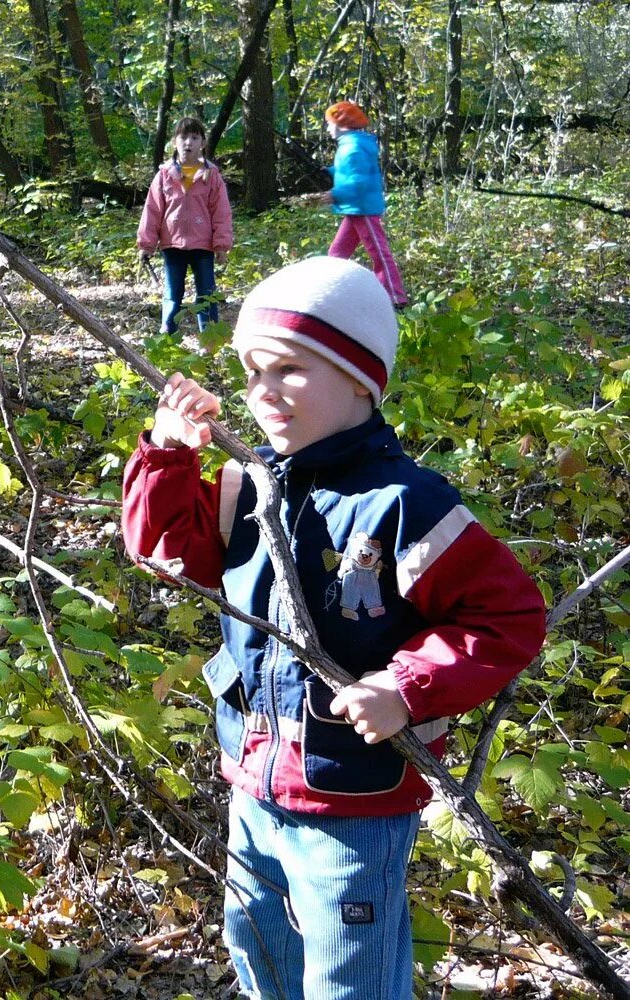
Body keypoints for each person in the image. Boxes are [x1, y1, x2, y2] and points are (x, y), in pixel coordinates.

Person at [121, 255, 546, 1000]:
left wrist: (404, 687)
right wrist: (165, 453)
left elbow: (506, 615)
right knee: (257, 945)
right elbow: (163, 555)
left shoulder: (403, 503)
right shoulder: (247, 481)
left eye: (287, 370)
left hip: (354, 798)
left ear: (359, 378)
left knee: (350, 977)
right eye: (251, 372)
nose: (261, 393)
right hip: (252, 780)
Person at [136, 116, 233, 335]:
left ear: (203, 143)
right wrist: (147, 244)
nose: (188, 142)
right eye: (183, 137)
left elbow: (221, 213)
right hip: (172, 245)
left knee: (207, 293)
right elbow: (152, 210)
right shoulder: (164, 176)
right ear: (174, 142)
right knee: (172, 293)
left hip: (203, 245)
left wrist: (221, 245)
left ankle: (210, 341)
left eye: (194, 137)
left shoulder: (211, 176)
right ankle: (168, 339)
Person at [320, 101, 408, 308]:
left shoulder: (353, 147)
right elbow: (350, 172)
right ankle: (330, 293)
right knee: (336, 255)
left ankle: (396, 298)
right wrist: (330, 172)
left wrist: (335, 194)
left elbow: (358, 181)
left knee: (378, 252)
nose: (327, 128)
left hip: (363, 208)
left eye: (329, 123)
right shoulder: (351, 144)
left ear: (341, 124)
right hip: (355, 209)